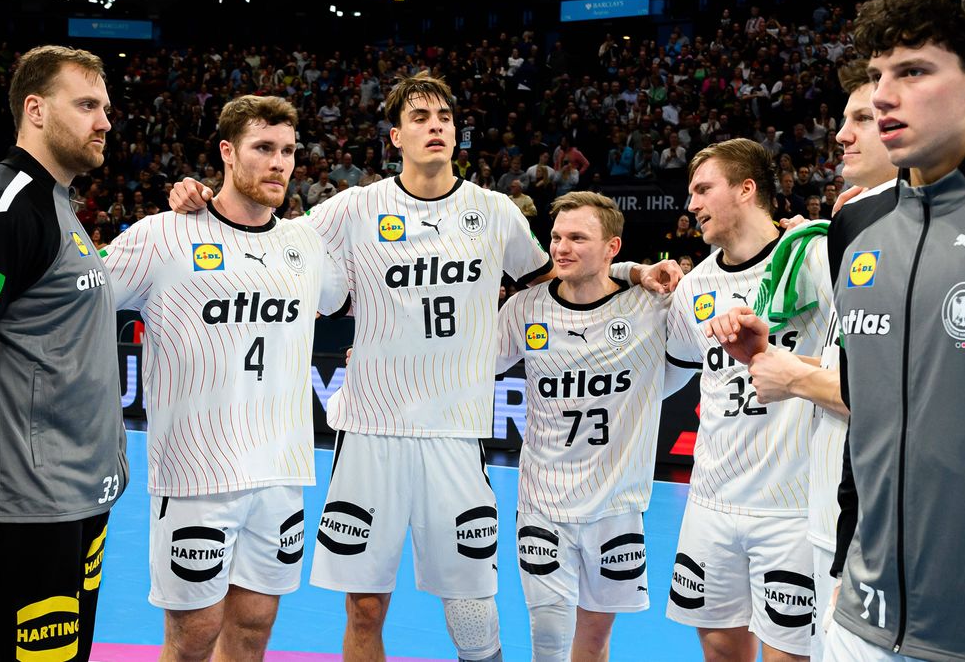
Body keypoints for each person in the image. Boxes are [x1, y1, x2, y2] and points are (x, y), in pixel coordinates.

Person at [167, 71, 679, 662]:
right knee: (364, 606)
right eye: (420, 118)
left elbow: (559, 276)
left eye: (444, 118)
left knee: (471, 601)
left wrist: (629, 271)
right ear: (395, 136)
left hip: (454, 432)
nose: (435, 127)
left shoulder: (494, 213)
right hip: (370, 429)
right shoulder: (355, 208)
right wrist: (199, 200)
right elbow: (260, 231)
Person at [103, 95, 348, 662]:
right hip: (196, 473)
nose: (279, 163)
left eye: (288, 151)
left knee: (255, 625)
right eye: (263, 148)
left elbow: (350, 295)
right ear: (227, 152)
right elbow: (79, 290)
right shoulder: (164, 234)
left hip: (282, 470)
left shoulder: (305, 245)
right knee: (193, 634)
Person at [831, 0, 965, 659]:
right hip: (859, 616)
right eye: (879, 73)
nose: (883, 94)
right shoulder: (855, 225)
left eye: (912, 72)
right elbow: (866, 409)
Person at [0, 45, 129, 662]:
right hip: (23, 515)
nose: (105, 121)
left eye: (107, 107)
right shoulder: (5, 209)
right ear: (36, 110)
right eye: (88, 105)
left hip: (76, 502)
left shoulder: (55, 203)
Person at [705, 57, 900, 660]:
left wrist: (795, 377)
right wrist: (774, 355)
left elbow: (917, 393)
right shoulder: (852, 222)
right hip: (830, 504)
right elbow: (860, 364)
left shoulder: (912, 227)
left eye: (863, 119)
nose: (841, 134)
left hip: (881, 520)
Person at [496, 192, 693, 661]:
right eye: (557, 237)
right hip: (542, 500)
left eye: (578, 238)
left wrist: (637, 273)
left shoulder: (651, 306)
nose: (561, 247)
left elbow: (686, 360)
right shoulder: (525, 309)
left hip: (617, 504)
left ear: (612, 247)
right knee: (548, 636)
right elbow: (466, 368)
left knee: (594, 641)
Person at [664, 138, 832, 662]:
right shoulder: (695, 287)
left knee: (788, 655)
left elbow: (861, 358)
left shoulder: (813, 258)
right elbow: (668, 371)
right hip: (710, 501)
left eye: (702, 189)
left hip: (792, 505)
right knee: (718, 648)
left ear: (746, 188)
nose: (691, 205)